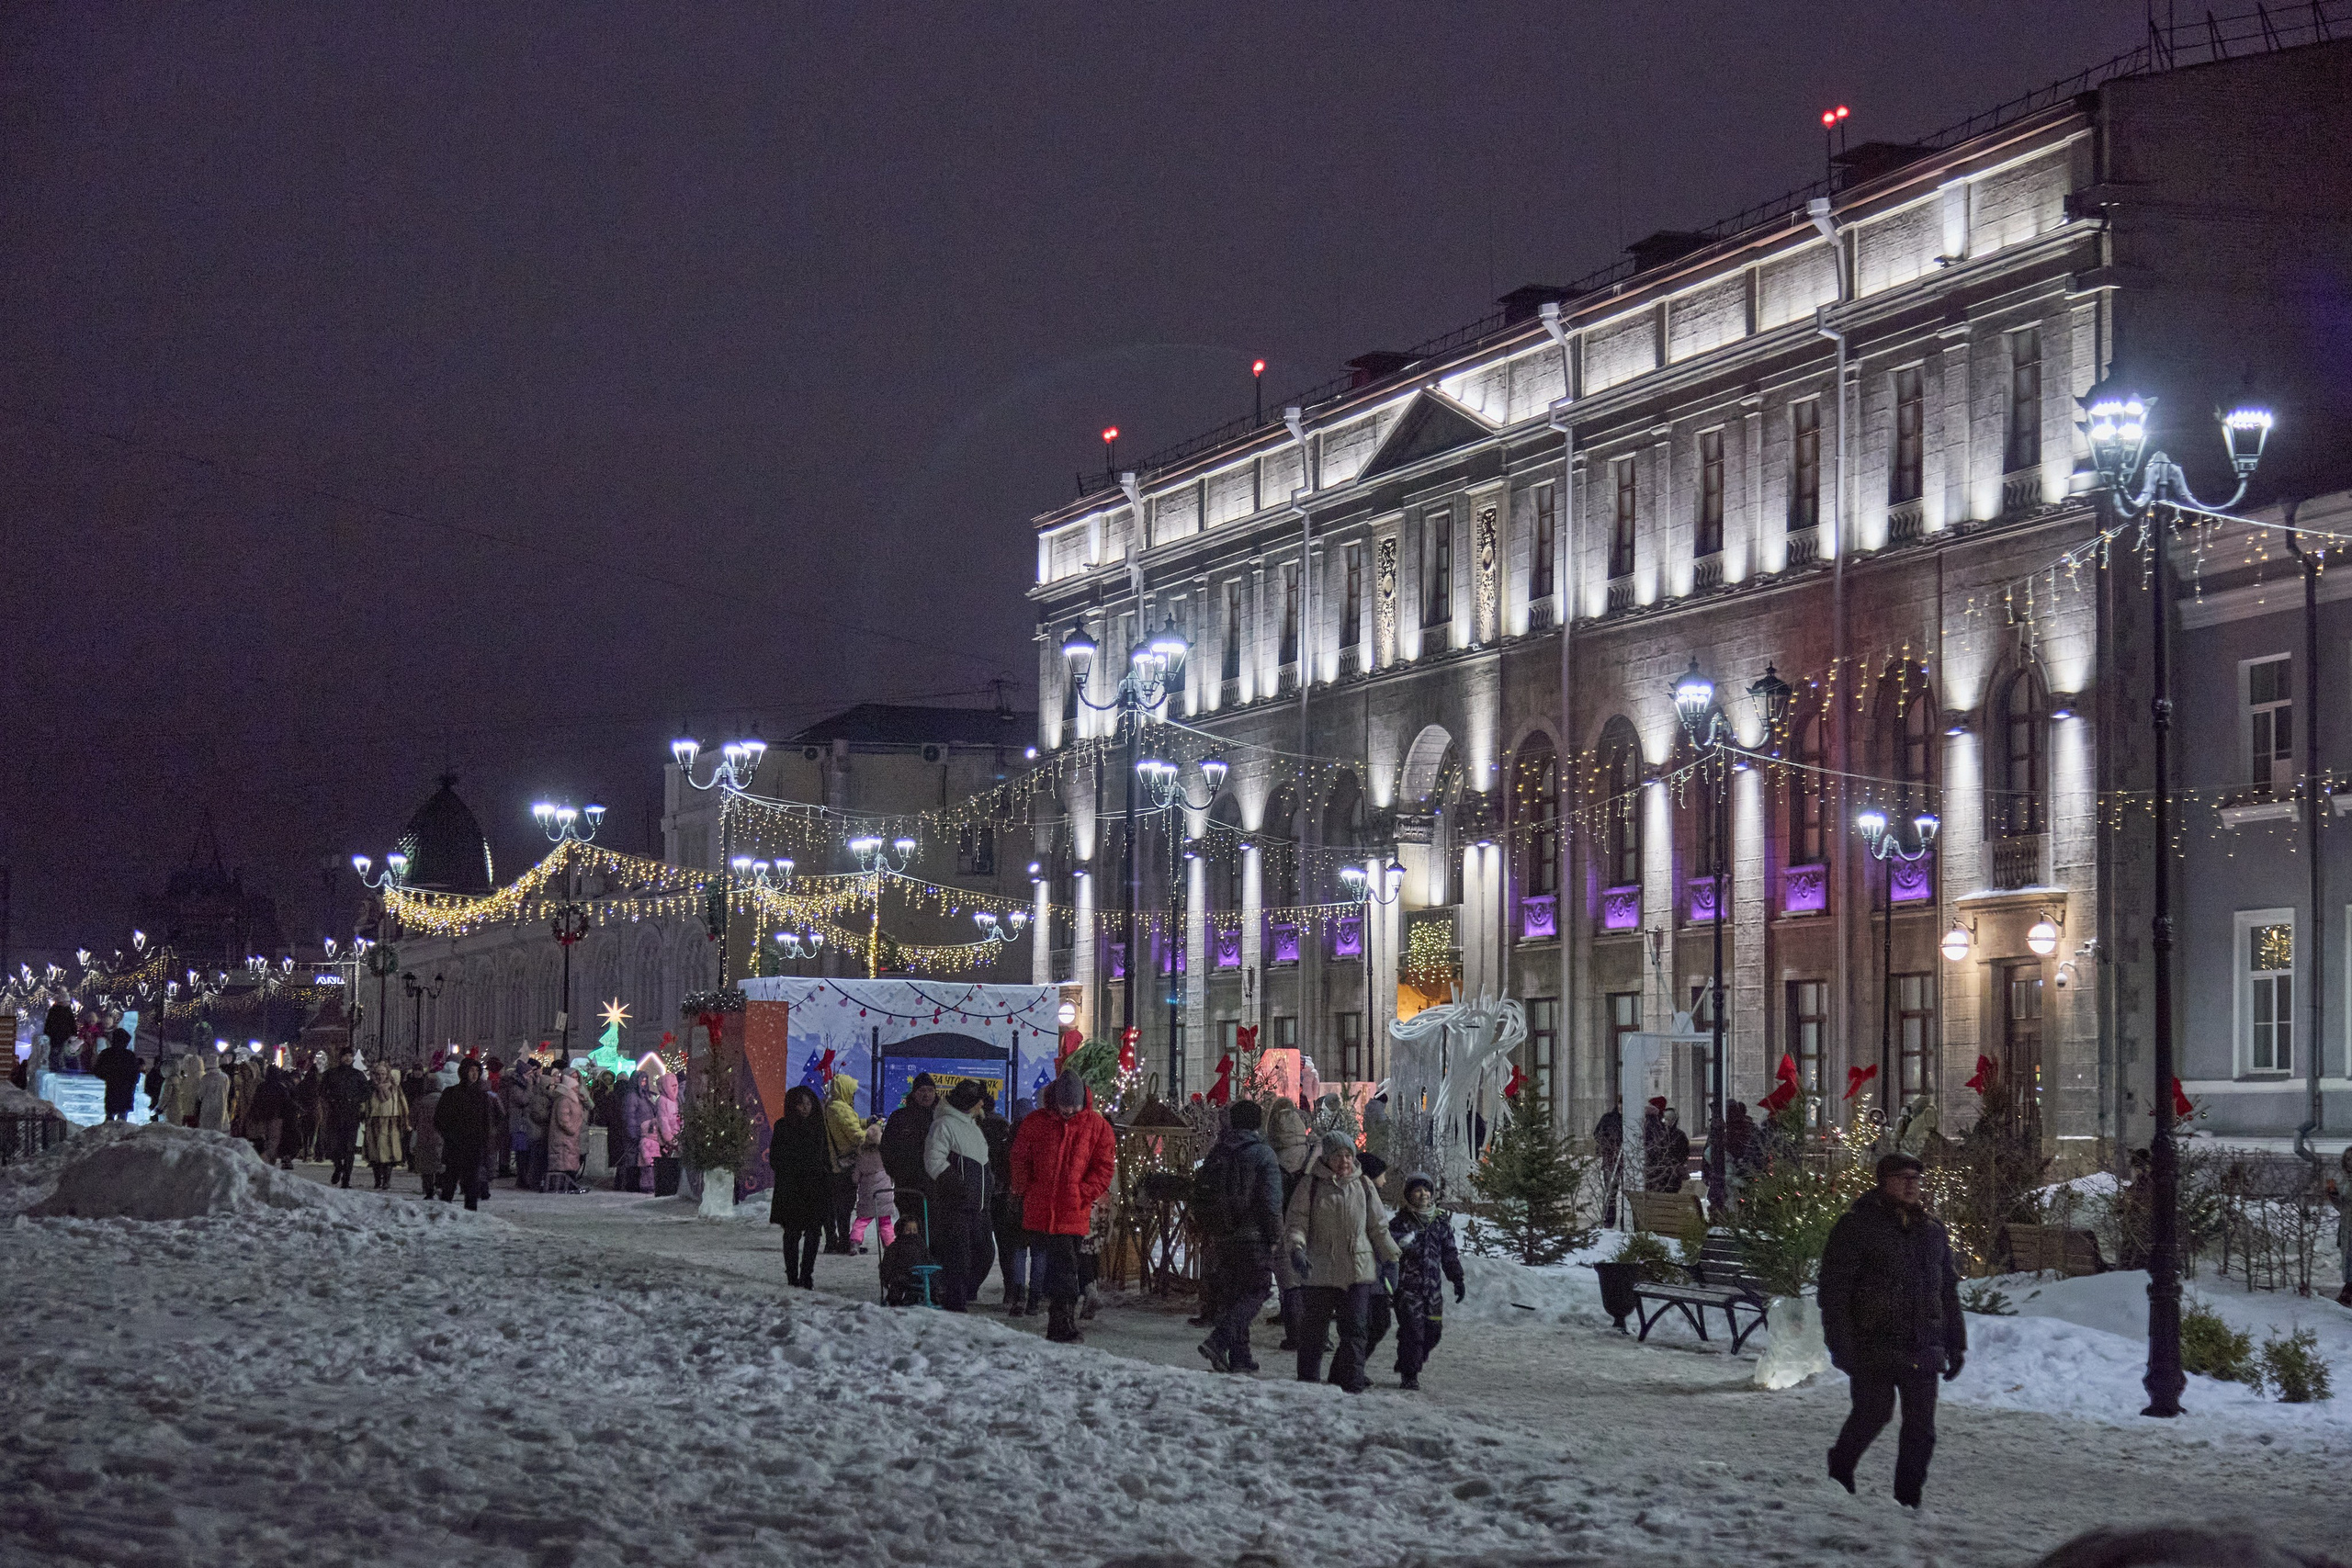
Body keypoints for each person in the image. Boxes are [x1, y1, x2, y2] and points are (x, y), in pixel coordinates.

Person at [1818, 1151, 1967, 1509]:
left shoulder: (1932, 1231)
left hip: (1922, 1343)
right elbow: (1835, 1291)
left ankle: (1908, 1499)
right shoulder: (1857, 1226)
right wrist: (1842, 1344)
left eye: (1916, 1179)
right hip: (1874, 1342)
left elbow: (1946, 1290)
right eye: (1903, 1178)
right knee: (1873, 1413)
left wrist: (1955, 1343)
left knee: (1921, 1430)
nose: (1911, 1185)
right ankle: (1841, 1465)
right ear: (1883, 1181)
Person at [1008, 1069, 1117, 1343]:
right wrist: (1024, 1187)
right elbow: (1019, 1158)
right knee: (1059, 1266)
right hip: (1041, 1207)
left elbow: (1104, 1168)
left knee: (1064, 1266)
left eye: (1074, 1105)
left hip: (1073, 1209)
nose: (1069, 1111)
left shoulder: (1097, 1126)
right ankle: (1061, 1321)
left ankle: (1061, 1321)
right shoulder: (1035, 1123)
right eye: (1065, 1105)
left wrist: (1083, 1192)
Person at [1283, 1133, 1397, 1393]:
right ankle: (1308, 1381)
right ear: (1327, 1158)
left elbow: (1379, 1228)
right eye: (1337, 1155)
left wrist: (1392, 1258)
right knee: (1314, 1331)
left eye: (1348, 1155)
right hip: (1319, 1268)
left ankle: (1350, 1380)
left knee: (1356, 1330)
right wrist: (1297, 1248)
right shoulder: (1310, 1186)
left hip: (1358, 1270)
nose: (1344, 1161)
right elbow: (1297, 1223)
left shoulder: (1365, 1186)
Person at [1194, 1100, 1283, 1374]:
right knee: (1256, 1290)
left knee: (1235, 1295)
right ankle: (1219, 1341)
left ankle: (1241, 1357)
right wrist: (1275, 1234)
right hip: (1252, 1234)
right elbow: (1270, 1200)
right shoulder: (1263, 1154)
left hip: (1222, 1234)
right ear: (1258, 1123)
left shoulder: (1218, 1150)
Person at [921, 1080, 997, 1312]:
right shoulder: (944, 1125)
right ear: (969, 1103)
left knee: (984, 1254)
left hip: (979, 1205)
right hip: (956, 1206)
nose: (982, 1103)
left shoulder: (973, 1125)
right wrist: (958, 1186)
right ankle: (956, 1300)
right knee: (958, 1258)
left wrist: (989, 1183)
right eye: (978, 1100)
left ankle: (964, 1292)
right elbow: (933, 1160)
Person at [1388, 1174, 1465, 1390]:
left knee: (1433, 1331)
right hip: (1407, 1289)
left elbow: (1450, 1253)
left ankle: (1409, 1361)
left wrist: (1457, 1278)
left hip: (1432, 1289)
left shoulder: (1440, 1221)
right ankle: (1409, 1374)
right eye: (1417, 1190)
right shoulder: (1400, 1222)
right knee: (1412, 1331)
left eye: (1426, 1190)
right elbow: (1387, 1249)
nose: (1423, 1194)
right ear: (1409, 1195)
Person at [768, 1084, 833, 1289]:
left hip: (815, 1186)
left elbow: (824, 1156)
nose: (805, 1108)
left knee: (814, 1232)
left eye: (808, 1103)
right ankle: (792, 1275)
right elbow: (775, 1158)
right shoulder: (783, 1126)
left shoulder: (818, 1126)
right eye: (800, 1104)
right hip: (791, 1188)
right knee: (792, 1233)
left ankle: (807, 1274)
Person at [1265, 1098, 1314, 1348]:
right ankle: (1307, 1329)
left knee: (1286, 1273)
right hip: (1306, 1219)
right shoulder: (1309, 1153)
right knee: (1302, 1274)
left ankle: (1296, 1332)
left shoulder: (1270, 1155)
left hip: (1280, 1217)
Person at [977, 1088, 1026, 1310]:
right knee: (1008, 1245)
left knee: (982, 1242)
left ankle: (971, 1287)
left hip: (983, 1193)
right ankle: (1012, 1289)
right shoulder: (1004, 1127)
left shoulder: (975, 1127)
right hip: (1004, 1193)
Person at [435, 1058, 496, 1211]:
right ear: (463, 1072)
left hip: (474, 1145)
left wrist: (485, 1140)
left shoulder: (482, 1096)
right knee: (451, 1177)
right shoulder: (451, 1093)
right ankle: (445, 1210)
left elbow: (488, 1121)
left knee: (472, 1180)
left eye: (477, 1071)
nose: (474, 1074)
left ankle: (470, 1211)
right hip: (454, 1143)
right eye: (471, 1071)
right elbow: (440, 1118)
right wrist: (449, 1135)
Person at [881, 1074, 939, 1222]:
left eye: (930, 1090)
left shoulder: (941, 1119)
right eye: (922, 1090)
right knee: (909, 1229)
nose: (926, 1095)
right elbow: (887, 1149)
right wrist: (896, 1172)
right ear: (914, 1093)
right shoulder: (899, 1117)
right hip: (907, 1187)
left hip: (936, 1188)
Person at [821, 1073, 865, 1253]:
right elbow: (856, 1136)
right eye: (852, 1091)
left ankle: (835, 1241)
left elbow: (849, 1124)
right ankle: (844, 1242)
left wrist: (867, 1121)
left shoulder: (833, 1107)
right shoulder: (840, 1109)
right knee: (845, 1206)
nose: (853, 1095)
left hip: (834, 1165)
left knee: (837, 1205)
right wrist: (873, 1134)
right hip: (844, 1165)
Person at [319, 1045, 371, 1189]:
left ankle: (346, 1179)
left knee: (349, 1149)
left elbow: (367, 1092)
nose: (347, 1058)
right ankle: (338, 1167)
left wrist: (355, 1100)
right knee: (334, 1147)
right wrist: (332, 1100)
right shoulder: (331, 1074)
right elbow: (322, 1091)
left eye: (350, 1055)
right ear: (340, 1057)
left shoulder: (358, 1075)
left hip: (351, 1116)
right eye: (345, 1055)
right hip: (335, 1115)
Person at [851, 1123, 896, 1253]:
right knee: (885, 1222)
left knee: (861, 1220)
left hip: (867, 1194)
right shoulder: (885, 1153)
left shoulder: (861, 1155)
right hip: (884, 1193)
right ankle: (889, 1245)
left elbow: (855, 1177)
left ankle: (854, 1243)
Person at [363, 1064, 408, 1190]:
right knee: (375, 1154)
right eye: (378, 1074)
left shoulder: (395, 1088)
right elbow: (365, 1104)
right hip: (374, 1122)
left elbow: (402, 1103)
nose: (380, 1076)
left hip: (390, 1122)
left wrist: (405, 1119)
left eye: (383, 1073)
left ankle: (386, 1180)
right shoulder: (370, 1088)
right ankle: (377, 1180)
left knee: (389, 1153)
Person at [545, 1067, 590, 1193]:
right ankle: (563, 1186)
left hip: (570, 1138)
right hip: (564, 1138)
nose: (577, 1088)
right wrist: (573, 1129)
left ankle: (569, 1185)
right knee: (563, 1162)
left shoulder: (573, 1099)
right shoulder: (564, 1100)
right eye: (575, 1086)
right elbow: (563, 1120)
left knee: (569, 1163)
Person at [879, 1213, 935, 1307]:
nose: (911, 1233)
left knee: (934, 1281)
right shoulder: (896, 1246)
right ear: (901, 1231)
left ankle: (934, 1297)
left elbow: (927, 1258)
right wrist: (886, 1276)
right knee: (898, 1283)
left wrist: (931, 1267)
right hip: (903, 1274)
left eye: (914, 1230)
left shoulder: (921, 1245)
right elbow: (888, 1263)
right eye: (908, 1230)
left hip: (921, 1274)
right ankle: (895, 1301)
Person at [93, 1028, 141, 1122]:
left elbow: (97, 1070)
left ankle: (107, 1135)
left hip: (112, 1088)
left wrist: (109, 1077)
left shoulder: (107, 1054)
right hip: (126, 1090)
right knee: (122, 1118)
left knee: (110, 1116)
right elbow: (136, 1074)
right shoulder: (129, 1055)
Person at [412, 1070, 446, 1198]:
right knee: (440, 1164)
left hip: (423, 1138)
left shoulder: (420, 1101)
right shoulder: (444, 1100)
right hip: (440, 1137)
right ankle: (440, 1186)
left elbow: (412, 1120)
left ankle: (428, 1190)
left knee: (426, 1166)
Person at [2325, 1148, 2351, 1309]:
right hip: (2347, 1226)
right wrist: (2333, 1194)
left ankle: (2348, 1293)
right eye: (2347, 1159)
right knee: (2348, 1259)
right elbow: (2343, 1207)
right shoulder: (2345, 1181)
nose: (2350, 1162)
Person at [1593, 1105, 1625, 1227]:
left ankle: (1625, 1218)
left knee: (1626, 1192)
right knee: (1611, 1190)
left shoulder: (1631, 1118)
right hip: (1611, 1159)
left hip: (1626, 1160)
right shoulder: (1608, 1118)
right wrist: (1608, 1143)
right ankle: (1610, 1218)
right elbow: (1597, 1133)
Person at [197, 1052, 232, 1131]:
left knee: (207, 1130)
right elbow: (227, 1090)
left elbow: (201, 1094)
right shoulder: (225, 1077)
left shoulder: (206, 1078)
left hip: (208, 1107)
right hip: (222, 1105)